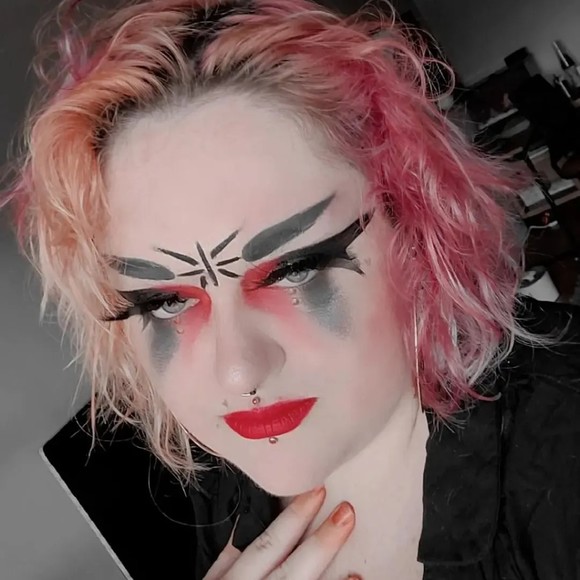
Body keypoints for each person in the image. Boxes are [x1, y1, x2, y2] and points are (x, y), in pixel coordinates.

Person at [2, 0, 580, 578]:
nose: (238, 373)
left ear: (412, 224)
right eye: (166, 302)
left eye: (294, 270)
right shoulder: (222, 475)